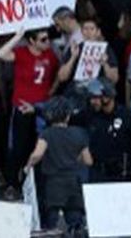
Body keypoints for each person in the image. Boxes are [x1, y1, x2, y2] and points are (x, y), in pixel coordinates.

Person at [0, 28, 59, 200]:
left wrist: (50, 95)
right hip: (22, 105)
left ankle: (37, 184)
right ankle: (13, 184)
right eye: (43, 39)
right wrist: (17, 36)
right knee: (17, 147)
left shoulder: (51, 55)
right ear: (32, 41)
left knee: (40, 146)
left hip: (42, 107)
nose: (47, 42)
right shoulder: (21, 53)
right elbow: (1, 54)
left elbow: (58, 77)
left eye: (48, 39)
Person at [25, 96, 92, 234]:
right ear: (68, 116)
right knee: (75, 222)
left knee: (51, 225)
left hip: (53, 184)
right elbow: (88, 160)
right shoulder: (79, 133)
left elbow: (37, 154)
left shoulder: (47, 134)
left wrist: (28, 165)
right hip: (74, 183)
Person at [76, 78, 131, 182]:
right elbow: (65, 121)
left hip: (124, 177)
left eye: (95, 98)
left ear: (107, 97)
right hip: (97, 176)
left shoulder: (128, 117)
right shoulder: (89, 114)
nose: (92, 101)